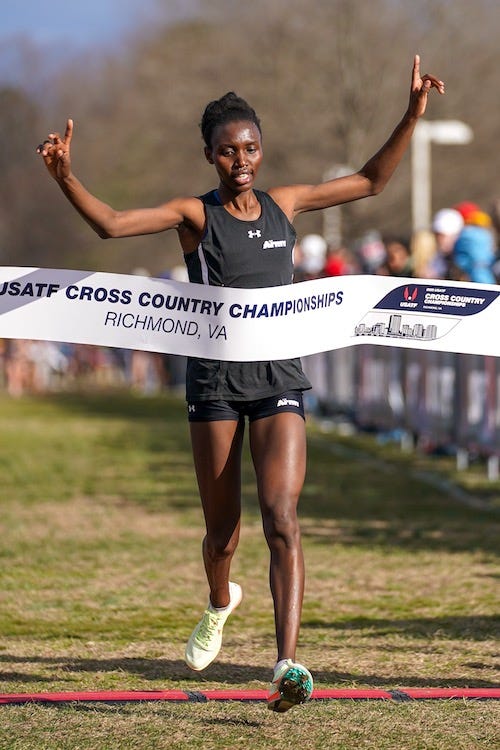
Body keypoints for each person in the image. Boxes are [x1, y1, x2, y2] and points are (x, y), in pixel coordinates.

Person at [37, 54, 444, 713]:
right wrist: (66, 177)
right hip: (215, 385)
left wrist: (411, 115)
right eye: (228, 152)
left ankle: (286, 661)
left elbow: (370, 181)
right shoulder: (193, 216)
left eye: (251, 147)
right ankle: (220, 599)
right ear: (210, 156)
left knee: (281, 514)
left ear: (262, 149)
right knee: (222, 532)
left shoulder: (285, 205)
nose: (242, 160)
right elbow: (110, 224)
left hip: (279, 379)